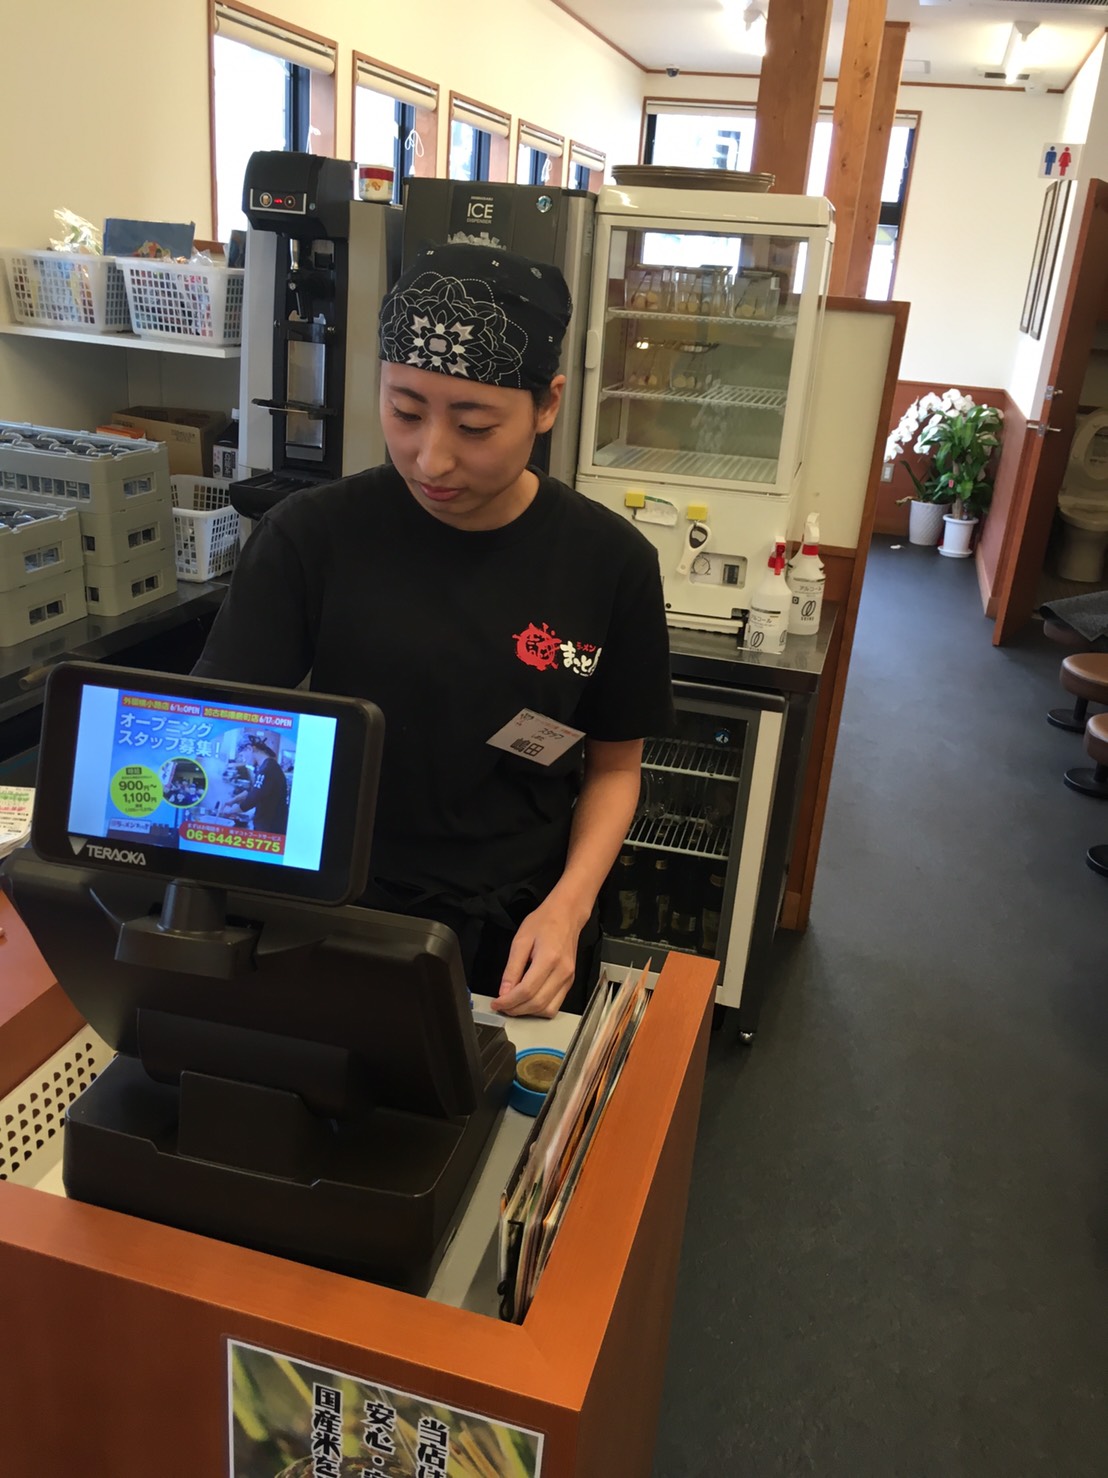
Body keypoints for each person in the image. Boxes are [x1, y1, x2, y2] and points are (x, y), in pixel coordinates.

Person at [194, 242, 673, 1016]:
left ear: (547, 405)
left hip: (523, 923)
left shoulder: (610, 563)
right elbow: (220, 722)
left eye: (475, 426)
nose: (431, 459)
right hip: (338, 909)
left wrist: (569, 907)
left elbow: (616, 768)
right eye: (405, 412)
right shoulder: (311, 537)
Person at [227, 735, 289, 835]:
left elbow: (252, 799)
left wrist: (229, 812)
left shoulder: (268, 769)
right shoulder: (266, 766)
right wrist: (233, 800)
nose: (244, 760)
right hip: (268, 825)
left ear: (249, 749)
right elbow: (254, 790)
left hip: (270, 829)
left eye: (242, 755)